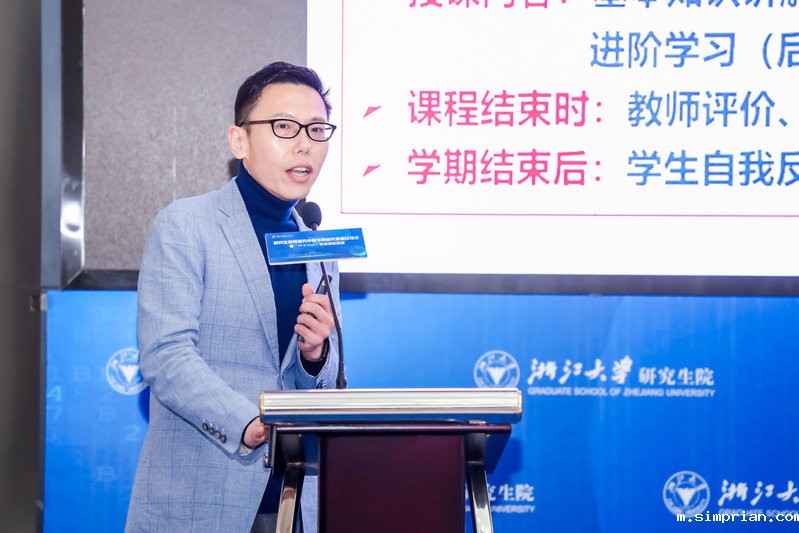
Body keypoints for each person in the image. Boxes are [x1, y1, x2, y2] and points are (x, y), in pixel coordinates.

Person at [125, 61, 341, 532]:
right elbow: (166, 355)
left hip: (294, 501)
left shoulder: (317, 245)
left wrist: (315, 356)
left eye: (317, 128)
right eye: (284, 127)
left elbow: (324, 389)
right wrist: (245, 421)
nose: (305, 143)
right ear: (238, 140)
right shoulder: (187, 225)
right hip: (200, 499)